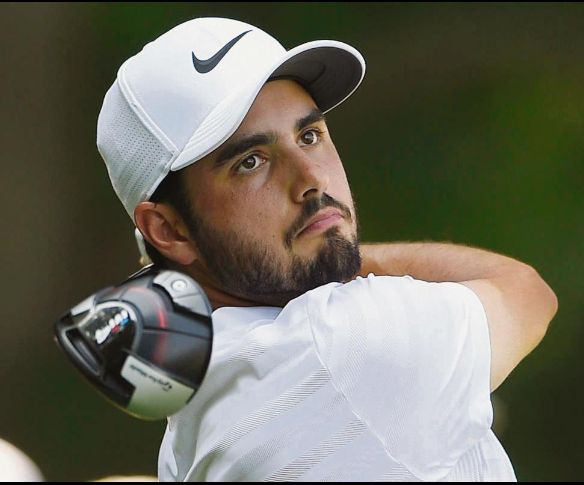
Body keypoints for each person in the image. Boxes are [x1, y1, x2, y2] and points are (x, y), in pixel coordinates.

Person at [96, 17, 558, 482]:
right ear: (168, 230)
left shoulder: (190, 419)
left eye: (309, 136)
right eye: (250, 162)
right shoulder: (343, 343)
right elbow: (525, 293)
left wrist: (313, 240)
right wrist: (340, 249)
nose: (311, 178)